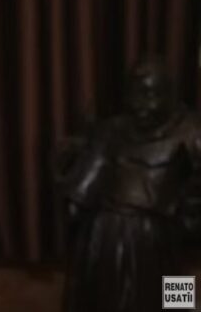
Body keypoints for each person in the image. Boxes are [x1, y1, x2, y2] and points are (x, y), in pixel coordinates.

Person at [58, 57, 201, 312]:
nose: (140, 105)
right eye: (135, 94)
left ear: (170, 95)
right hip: (107, 234)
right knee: (108, 296)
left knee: (176, 291)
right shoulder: (111, 130)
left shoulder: (191, 131)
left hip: (168, 235)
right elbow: (84, 186)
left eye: (150, 94)